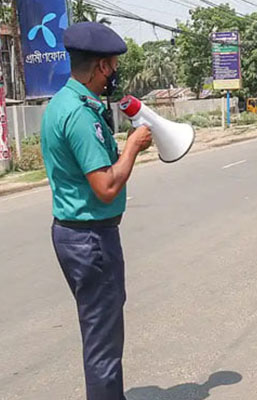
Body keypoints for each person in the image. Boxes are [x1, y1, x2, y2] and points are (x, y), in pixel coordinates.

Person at [40, 22, 153, 400]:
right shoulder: (81, 115)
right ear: (102, 66)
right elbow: (105, 186)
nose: (116, 74)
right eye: (114, 66)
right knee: (103, 338)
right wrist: (133, 146)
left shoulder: (62, 104)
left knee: (98, 329)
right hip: (91, 238)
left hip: (74, 234)